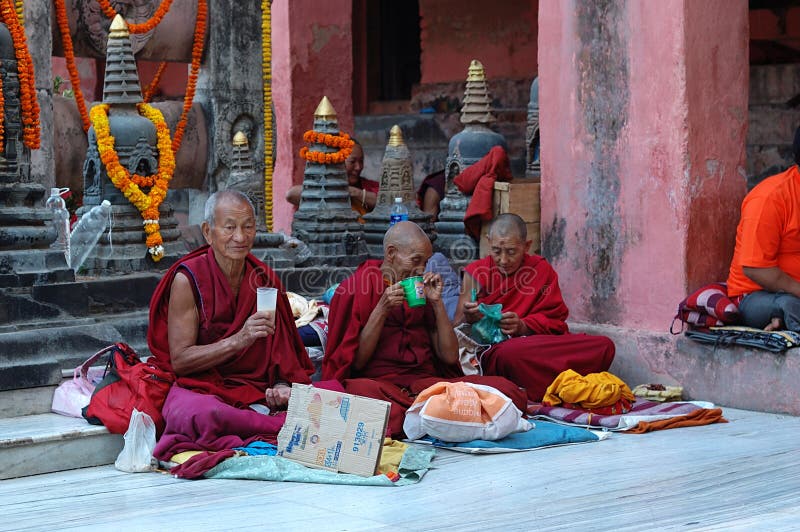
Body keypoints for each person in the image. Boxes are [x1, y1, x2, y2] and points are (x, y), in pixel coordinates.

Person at [148, 190, 321, 460]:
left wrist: (281, 384)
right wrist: (239, 339)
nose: (240, 237)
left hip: (256, 390)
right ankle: (272, 426)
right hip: (204, 387)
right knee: (197, 414)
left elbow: (282, 354)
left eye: (248, 227)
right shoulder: (188, 279)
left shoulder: (264, 279)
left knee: (333, 393)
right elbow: (180, 360)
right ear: (208, 231)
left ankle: (259, 421)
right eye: (229, 228)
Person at [323, 221, 527, 437]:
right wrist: (382, 309)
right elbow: (356, 362)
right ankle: (440, 417)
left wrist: (437, 303)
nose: (421, 269)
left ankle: (424, 416)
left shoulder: (422, 291)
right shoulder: (355, 288)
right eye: (416, 260)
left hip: (427, 385)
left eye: (426, 262)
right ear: (391, 253)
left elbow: (449, 357)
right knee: (359, 396)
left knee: (507, 390)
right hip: (380, 386)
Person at [454, 213, 616, 402]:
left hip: (534, 346)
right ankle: (556, 386)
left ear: (526, 246)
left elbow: (556, 322)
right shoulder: (476, 273)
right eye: (497, 251)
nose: (504, 260)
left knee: (604, 345)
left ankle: (542, 385)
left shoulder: (541, 269)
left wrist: (523, 325)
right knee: (508, 354)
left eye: (512, 252)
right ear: (489, 242)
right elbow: (456, 329)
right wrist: (470, 317)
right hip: (499, 352)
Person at [727, 128, 800, 332]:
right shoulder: (770, 198)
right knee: (790, 305)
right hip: (756, 295)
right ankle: (781, 315)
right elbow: (755, 268)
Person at [285, 140, 379, 217]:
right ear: (337, 162)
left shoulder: (368, 185)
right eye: (352, 161)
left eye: (361, 161)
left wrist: (354, 192)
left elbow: (385, 202)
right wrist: (334, 188)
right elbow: (291, 194)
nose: (358, 167)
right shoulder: (325, 183)